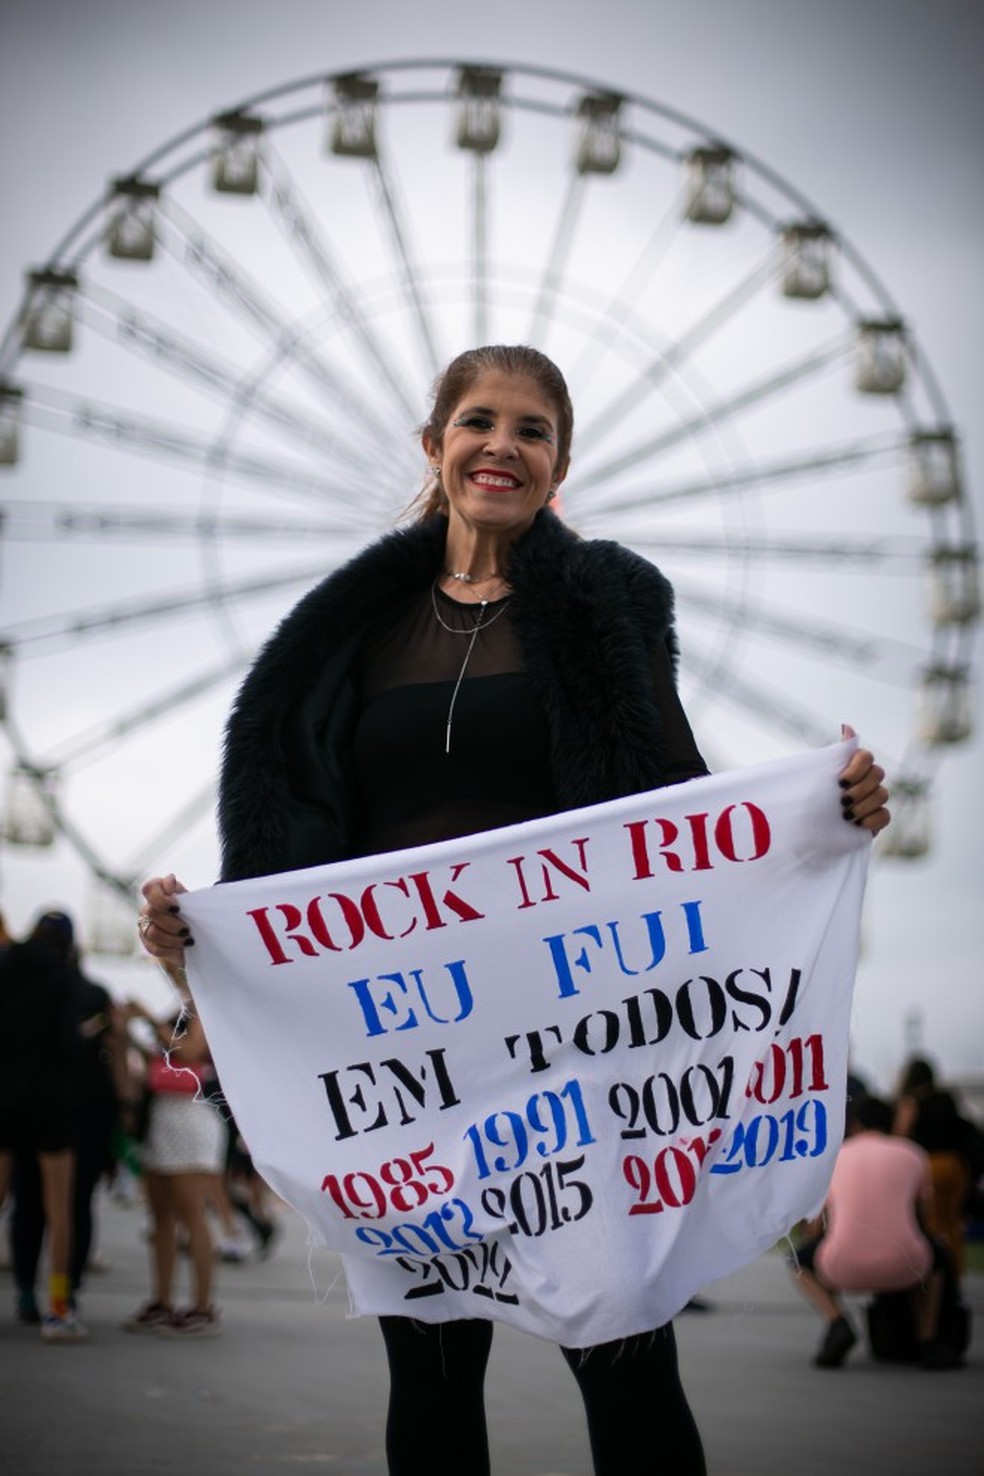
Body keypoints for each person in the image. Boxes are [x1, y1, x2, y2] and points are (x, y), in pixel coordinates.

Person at [137, 344, 890, 1475]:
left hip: (579, 1049)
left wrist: (817, 815)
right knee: (430, 1373)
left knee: (626, 1356)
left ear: (560, 462)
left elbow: (671, 803)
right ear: (434, 444)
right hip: (409, 1056)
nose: (503, 445)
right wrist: (209, 950)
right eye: (480, 421)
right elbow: (296, 841)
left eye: (532, 430)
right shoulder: (339, 640)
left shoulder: (610, 604)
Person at [789, 1094, 962, 1369]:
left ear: (855, 1124)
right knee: (937, 1259)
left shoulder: (834, 1156)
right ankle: (928, 1338)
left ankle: (837, 1322)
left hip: (840, 1267)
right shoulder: (914, 1153)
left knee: (796, 1261)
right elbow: (925, 1219)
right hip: (907, 1265)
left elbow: (815, 1225)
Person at [0, 909, 87, 1341]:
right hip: (51, 1100)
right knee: (59, 1209)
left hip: (3, 1097)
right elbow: (69, 1042)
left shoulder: (4, 963)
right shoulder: (64, 976)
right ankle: (57, 1309)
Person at [121, 991, 225, 1337]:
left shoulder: (208, 1007)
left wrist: (148, 1017)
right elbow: (162, 1060)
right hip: (162, 1116)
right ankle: (162, 1300)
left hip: (190, 1116)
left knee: (192, 1214)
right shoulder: (181, 1009)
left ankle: (202, 1306)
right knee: (161, 1214)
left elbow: (191, 1051)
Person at [893, 1056, 974, 1280]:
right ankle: (956, 1272)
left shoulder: (910, 1102)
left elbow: (901, 1133)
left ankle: (938, 1274)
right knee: (952, 1221)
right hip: (955, 1165)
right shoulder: (946, 1098)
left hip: (929, 1165)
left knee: (933, 1223)